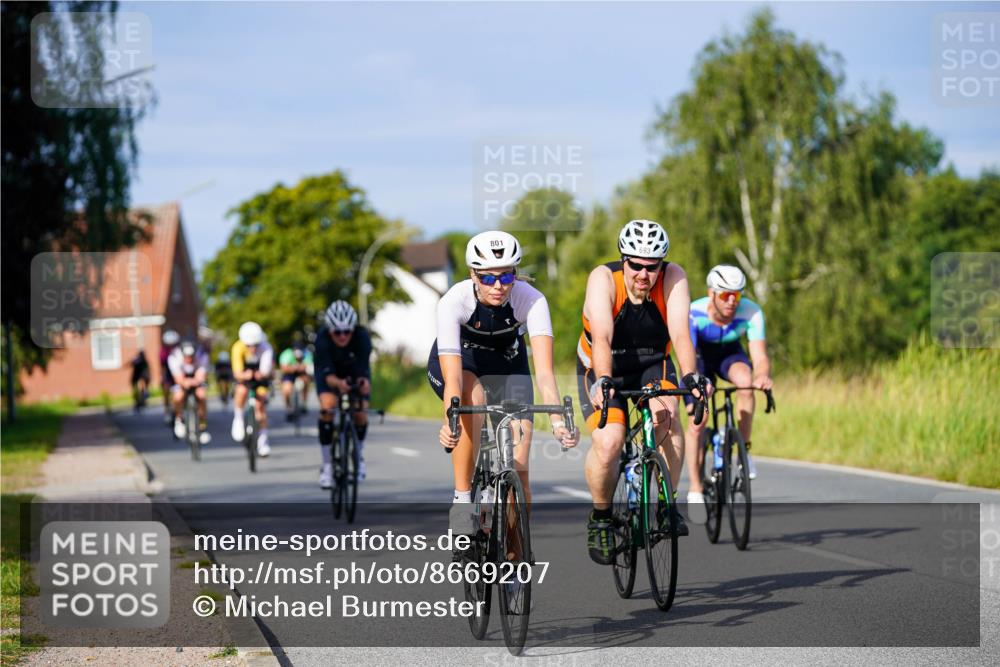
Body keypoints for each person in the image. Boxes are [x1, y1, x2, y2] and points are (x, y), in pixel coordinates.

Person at [429, 230, 578, 536]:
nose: (498, 286)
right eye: (487, 278)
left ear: (515, 273)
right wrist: (450, 421)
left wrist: (556, 420)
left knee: (520, 469)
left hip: (509, 365)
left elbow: (545, 372)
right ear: (473, 274)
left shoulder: (532, 301)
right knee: (475, 400)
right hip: (463, 364)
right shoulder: (453, 301)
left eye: (506, 276)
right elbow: (454, 380)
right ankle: (462, 500)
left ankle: (513, 559)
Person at [577, 219, 708, 565]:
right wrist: (603, 382)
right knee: (609, 442)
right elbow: (602, 337)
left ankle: (668, 504)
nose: (644, 274)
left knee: (667, 414)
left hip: (652, 362)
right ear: (624, 261)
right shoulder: (603, 279)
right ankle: (601, 517)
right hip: (604, 366)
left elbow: (680, 333)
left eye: (653, 267)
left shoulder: (674, 277)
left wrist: (692, 378)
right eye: (635, 265)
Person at [684, 264, 773, 521]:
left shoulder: (752, 312)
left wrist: (762, 376)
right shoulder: (693, 312)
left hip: (729, 354)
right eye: (725, 295)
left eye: (738, 294)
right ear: (712, 293)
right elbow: (687, 356)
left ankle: (743, 450)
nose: (733, 301)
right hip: (698, 356)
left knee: (745, 382)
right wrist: (698, 381)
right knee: (697, 420)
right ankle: (695, 489)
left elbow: (760, 357)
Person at [314, 301, 373, 488]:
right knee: (327, 407)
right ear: (329, 330)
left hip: (354, 369)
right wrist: (339, 384)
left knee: (361, 411)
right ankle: (327, 466)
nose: (342, 336)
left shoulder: (362, 338)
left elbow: (364, 372)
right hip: (329, 373)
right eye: (337, 332)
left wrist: (362, 384)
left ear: (353, 329)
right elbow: (329, 377)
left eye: (347, 331)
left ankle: (359, 457)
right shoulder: (322, 340)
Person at [230, 321, 274, 457]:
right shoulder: (237, 347)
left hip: (260, 377)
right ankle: (238, 419)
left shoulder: (266, 348)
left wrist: (261, 374)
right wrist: (245, 375)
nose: (252, 348)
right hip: (244, 376)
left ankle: (263, 441)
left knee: (260, 408)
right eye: (249, 346)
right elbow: (237, 372)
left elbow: (266, 370)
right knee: (241, 391)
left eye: (255, 345)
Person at [168, 339, 212, 445]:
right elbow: (178, 377)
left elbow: (201, 375)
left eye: (191, 357)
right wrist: (184, 382)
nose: (189, 359)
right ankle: (179, 420)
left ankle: (202, 424)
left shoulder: (202, 355)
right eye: (186, 357)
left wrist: (196, 381)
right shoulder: (174, 357)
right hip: (182, 379)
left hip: (196, 379)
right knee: (178, 397)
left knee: (201, 395)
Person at [279, 341, 313, 421]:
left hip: (301, 373)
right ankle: (288, 409)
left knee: (306, 381)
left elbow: (308, 366)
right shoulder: (287, 354)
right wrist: (295, 368)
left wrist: (297, 367)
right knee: (286, 389)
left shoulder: (307, 353)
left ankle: (304, 404)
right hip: (289, 374)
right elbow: (284, 368)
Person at [159, 329, 180, 426]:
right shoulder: (163, 352)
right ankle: (167, 410)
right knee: (166, 390)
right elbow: (162, 366)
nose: (171, 346)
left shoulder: (179, 350)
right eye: (169, 344)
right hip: (168, 374)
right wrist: (163, 378)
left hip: (178, 373)